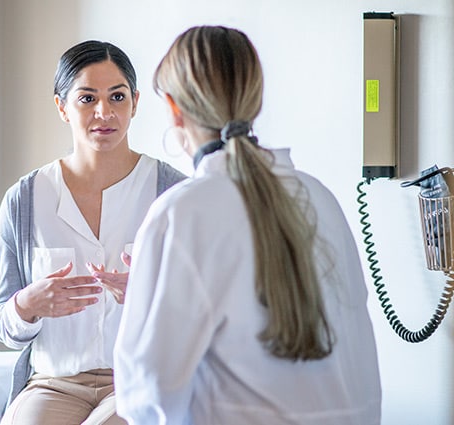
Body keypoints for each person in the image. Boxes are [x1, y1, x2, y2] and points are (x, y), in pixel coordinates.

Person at [114, 26, 382, 425]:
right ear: (254, 100)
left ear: (173, 109)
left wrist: (152, 292)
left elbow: (147, 395)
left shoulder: (182, 212)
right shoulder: (319, 197)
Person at [0, 40, 186, 425]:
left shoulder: (173, 193)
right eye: (87, 98)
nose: (104, 112)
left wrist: (151, 299)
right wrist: (26, 305)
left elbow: (204, 312)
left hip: (138, 379)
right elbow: (2, 321)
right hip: (52, 382)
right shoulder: (24, 201)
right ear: (62, 106)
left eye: (117, 96)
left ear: (136, 103)